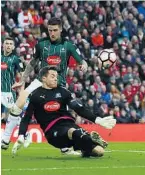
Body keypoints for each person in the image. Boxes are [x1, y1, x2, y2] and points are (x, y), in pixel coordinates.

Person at [2, 17, 88, 153]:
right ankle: (6, 139)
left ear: (60, 29)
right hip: (39, 81)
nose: (52, 33)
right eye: (50, 30)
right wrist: (22, 80)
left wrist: (83, 66)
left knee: (61, 116)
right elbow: (32, 64)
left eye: (55, 30)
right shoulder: (41, 44)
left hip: (59, 84)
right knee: (20, 100)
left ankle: (65, 147)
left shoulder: (68, 45)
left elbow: (82, 62)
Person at [12, 66, 116, 157]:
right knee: (73, 132)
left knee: (100, 152)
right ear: (43, 78)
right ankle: (89, 139)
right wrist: (21, 135)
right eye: (52, 76)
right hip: (52, 130)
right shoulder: (35, 96)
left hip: (70, 124)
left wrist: (98, 120)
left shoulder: (63, 91)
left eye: (56, 76)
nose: (56, 78)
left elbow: (78, 109)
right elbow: (26, 118)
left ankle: (86, 148)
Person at [1, 37, 24, 149]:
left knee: (12, 116)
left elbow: (22, 75)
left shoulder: (15, 59)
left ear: (13, 47)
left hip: (8, 92)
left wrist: (21, 90)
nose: (8, 45)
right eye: (7, 43)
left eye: (11, 44)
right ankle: (5, 140)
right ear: (3, 45)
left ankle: (23, 134)